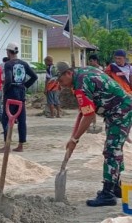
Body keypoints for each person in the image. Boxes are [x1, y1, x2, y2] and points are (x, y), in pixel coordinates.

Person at [55, 61, 132, 207]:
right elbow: (86, 109)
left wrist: (74, 139)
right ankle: (115, 186)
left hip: (120, 111)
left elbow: (89, 116)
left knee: (111, 150)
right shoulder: (84, 72)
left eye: (61, 80)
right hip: (118, 110)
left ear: (69, 73)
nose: (60, 84)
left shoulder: (80, 86)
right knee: (114, 149)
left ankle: (108, 193)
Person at [0, 42, 38, 153]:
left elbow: (9, 79)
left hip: (11, 93)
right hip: (21, 92)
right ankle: (21, 145)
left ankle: (7, 145)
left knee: (6, 119)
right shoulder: (24, 64)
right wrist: (25, 85)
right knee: (21, 119)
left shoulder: (8, 64)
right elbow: (34, 76)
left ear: (8, 52)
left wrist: (5, 90)